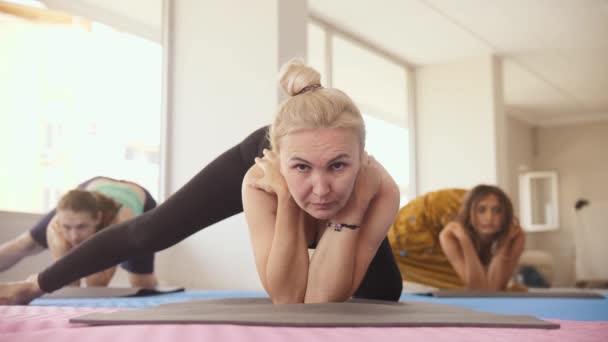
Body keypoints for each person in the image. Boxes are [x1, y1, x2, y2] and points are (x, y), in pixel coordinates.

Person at [0, 59, 402, 305]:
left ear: (362, 159)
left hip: (348, 190)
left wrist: (352, 208)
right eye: (301, 169)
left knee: (383, 291)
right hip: (272, 172)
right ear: (278, 159)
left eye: (338, 166)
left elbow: (315, 306)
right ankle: (30, 285)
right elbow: (288, 300)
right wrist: (284, 199)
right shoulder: (260, 176)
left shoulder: (378, 188)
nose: (320, 189)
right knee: (150, 232)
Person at [0, 176, 158, 288]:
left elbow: (96, 285)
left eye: (82, 227)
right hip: (92, 188)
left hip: (139, 201)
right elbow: (68, 286)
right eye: (67, 227)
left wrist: (86, 247)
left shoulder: (117, 225)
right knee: (24, 244)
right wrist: (61, 250)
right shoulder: (57, 224)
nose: (73, 236)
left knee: (141, 283)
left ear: (97, 219)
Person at [388, 185, 525, 290]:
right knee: (457, 284)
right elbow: (479, 289)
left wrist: (504, 244)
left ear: (506, 214)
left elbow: (495, 288)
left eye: (497, 210)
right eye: (481, 210)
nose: (489, 218)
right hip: (411, 233)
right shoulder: (450, 234)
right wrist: (465, 241)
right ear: (470, 213)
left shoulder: (515, 235)